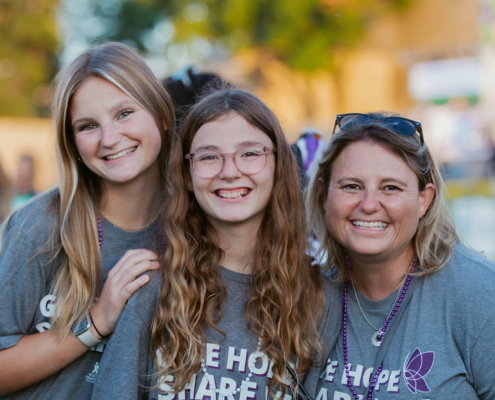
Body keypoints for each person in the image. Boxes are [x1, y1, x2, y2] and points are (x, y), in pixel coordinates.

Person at [91, 88, 341, 399]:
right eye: (209, 157)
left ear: (279, 166)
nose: (229, 171)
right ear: (187, 175)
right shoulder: (152, 285)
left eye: (249, 153)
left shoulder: (321, 299)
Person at [0, 42, 175, 399]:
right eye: (88, 126)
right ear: (72, 143)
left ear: (162, 115)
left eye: (124, 113)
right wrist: (94, 322)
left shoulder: (193, 230)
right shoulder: (41, 225)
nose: (109, 139)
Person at [306, 113, 495, 399]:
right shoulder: (308, 295)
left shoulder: (479, 294)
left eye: (390, 187)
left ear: (424, 199)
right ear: (324, 195)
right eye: (351, 186)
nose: (369, 205)